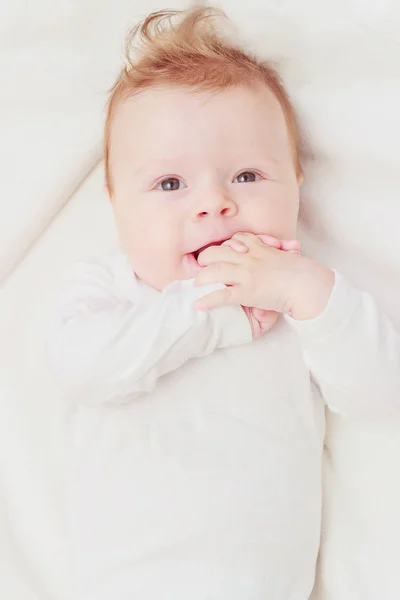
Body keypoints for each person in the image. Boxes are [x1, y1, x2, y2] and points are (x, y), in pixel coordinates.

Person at [49, 7, 400, 599]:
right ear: (114, 202)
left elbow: (379, 392)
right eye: (169, 185)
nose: (212, 204)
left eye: (246, 176)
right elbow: (81, 370)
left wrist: (310, 293)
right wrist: (209, 315)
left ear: (296, 182)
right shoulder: (111, 291)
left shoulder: (298, 299)